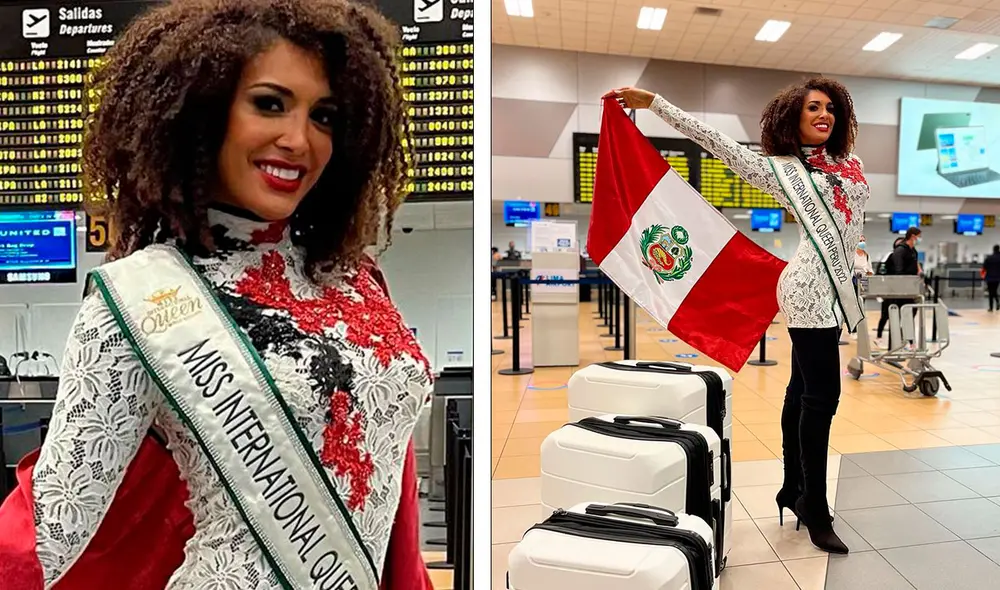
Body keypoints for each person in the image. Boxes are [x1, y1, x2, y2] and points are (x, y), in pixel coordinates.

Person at [0, 1, 433, 589]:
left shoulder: (357, 280)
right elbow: (47, 536)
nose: (299, 139)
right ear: (204, 113)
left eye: (324, 115)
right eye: (270, 104)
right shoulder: (140, 295)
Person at [608, 77, 868, 554]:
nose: (824, 115)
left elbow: (852, 220)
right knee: (823, 398)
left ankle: (792, 488)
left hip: (836, 286)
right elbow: (719, 144)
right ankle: (815, 505)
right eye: (813, 108)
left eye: (830, 108)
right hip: (807, 289)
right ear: (794, 117)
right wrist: (657, 103)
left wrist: (860, 250)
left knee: (801, 392)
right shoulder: (782, 169)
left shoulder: (851, 163)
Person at [876, 227, 922, 347]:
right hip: (896, 290)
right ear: (913, 236)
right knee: (888, 316)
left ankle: (910, 342)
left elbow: (916, 266)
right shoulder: (898, 252)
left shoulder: (913, 251)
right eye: (918, 236)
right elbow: (897, 271)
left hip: (910, 290)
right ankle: (884, 339)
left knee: (909, 315)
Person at [985, 245, 1000, 312]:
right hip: (997, 277)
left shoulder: (989, 258)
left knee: (991, 292)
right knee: (994, 291)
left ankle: (991, 307)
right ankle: (997, 302)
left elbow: (984, 267)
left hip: (989, 277)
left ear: (993, 249)